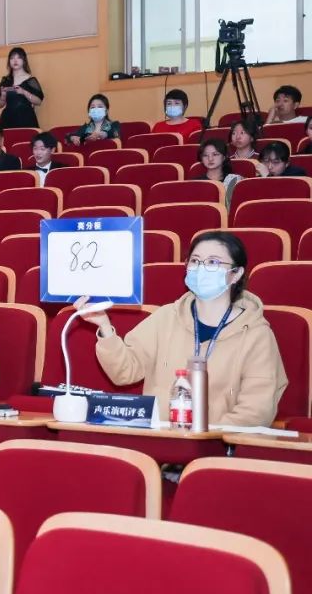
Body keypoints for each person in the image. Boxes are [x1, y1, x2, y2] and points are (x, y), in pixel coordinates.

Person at [77, 231, 287, 427]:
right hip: (160, 439)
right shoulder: (166, 317)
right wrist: (104, 326)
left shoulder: (257, 334)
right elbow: (124, 372)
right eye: (195, 261)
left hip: (219, 445)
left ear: (236, 274)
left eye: (213, 262)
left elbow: (256, 411)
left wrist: (205, 438)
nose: (201, 268)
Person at [0, 46, 43, 129]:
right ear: (9, 61)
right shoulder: (6, 80)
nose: (15, 60)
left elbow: (38, 101)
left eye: (19, 58)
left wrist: (24, 92)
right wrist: (3, 96)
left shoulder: (30, 80)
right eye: (12, 58)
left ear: (24, 60)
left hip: (26, 118)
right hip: (8, 119)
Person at [195, 139, 241, 208]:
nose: (210, 159)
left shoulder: (234, 181)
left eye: (215, 154)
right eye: (205, 155)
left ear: (224, 157)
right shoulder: (195, 183)